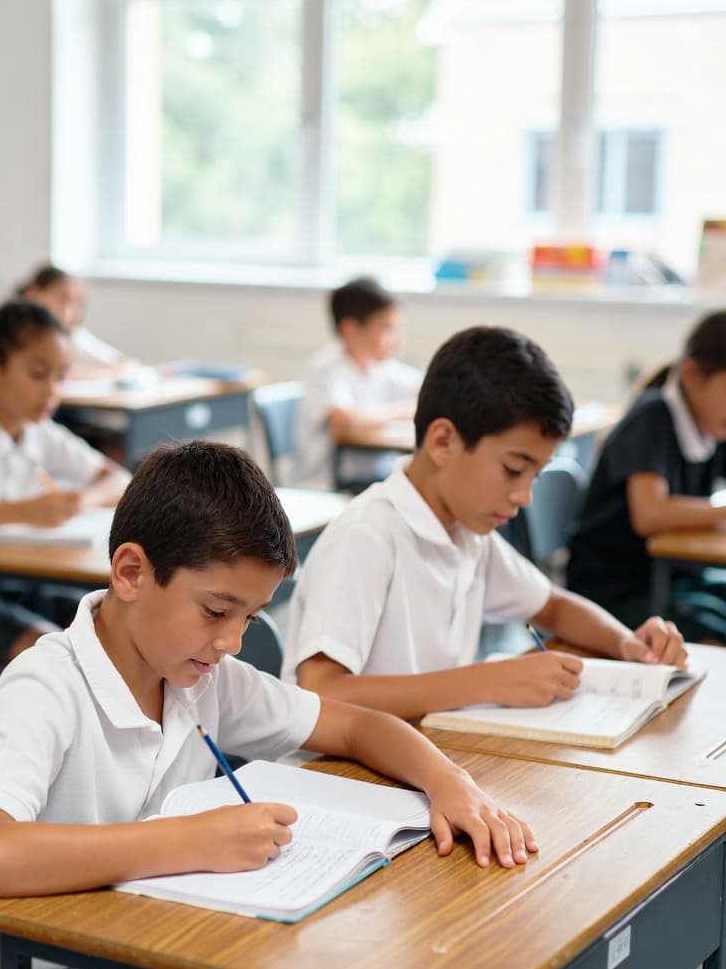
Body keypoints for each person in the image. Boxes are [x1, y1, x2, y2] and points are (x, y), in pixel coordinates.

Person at [0, 439, 536, 969]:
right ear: (132, 572)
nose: (232, 642)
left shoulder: (204, 677)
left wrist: (450, 783)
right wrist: (192, 840)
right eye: (216, 611)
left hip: (187, 960)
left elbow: (356, 725)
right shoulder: (44, 687)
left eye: (250, 618)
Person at [281, 326, 686, 720]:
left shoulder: (467, 532)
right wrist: (487, 681)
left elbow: (553, 606)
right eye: (514, 469)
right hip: (335, 763)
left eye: (535, 476)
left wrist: (628, 643)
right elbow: (322, 691)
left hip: (423, 749)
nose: (524, 496)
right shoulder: (366, 536)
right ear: (443, 442)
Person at [0, 299, 129, 679]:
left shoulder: (38, 430)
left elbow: (118, 479)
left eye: (61, 377)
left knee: (110, 624)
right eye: (39, 374)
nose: (52, 390)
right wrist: (23, 512)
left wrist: (80, 501)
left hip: (12, 585)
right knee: (52, 654)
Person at [568, 311, 726, 641]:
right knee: (713, 638)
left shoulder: (711, 426)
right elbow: (649, 515)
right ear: (691, 374)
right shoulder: (652, 418)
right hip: (615, 595)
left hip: (672, 583)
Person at [292, 275, 421, 490]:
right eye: (386, 329)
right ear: (350, 328)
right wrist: (404, 411)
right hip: (328, 483)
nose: (396, 341)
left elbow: (428, 390)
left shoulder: (378, 366)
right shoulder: (326, 368)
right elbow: (344, 420)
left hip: (372, 478)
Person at [17, 262, 128, 375]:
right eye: (62, 298)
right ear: (32, 293)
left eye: (77, 302)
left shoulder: (72, 337)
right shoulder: (12, 331)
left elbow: (120, 362)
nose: (69, 311)